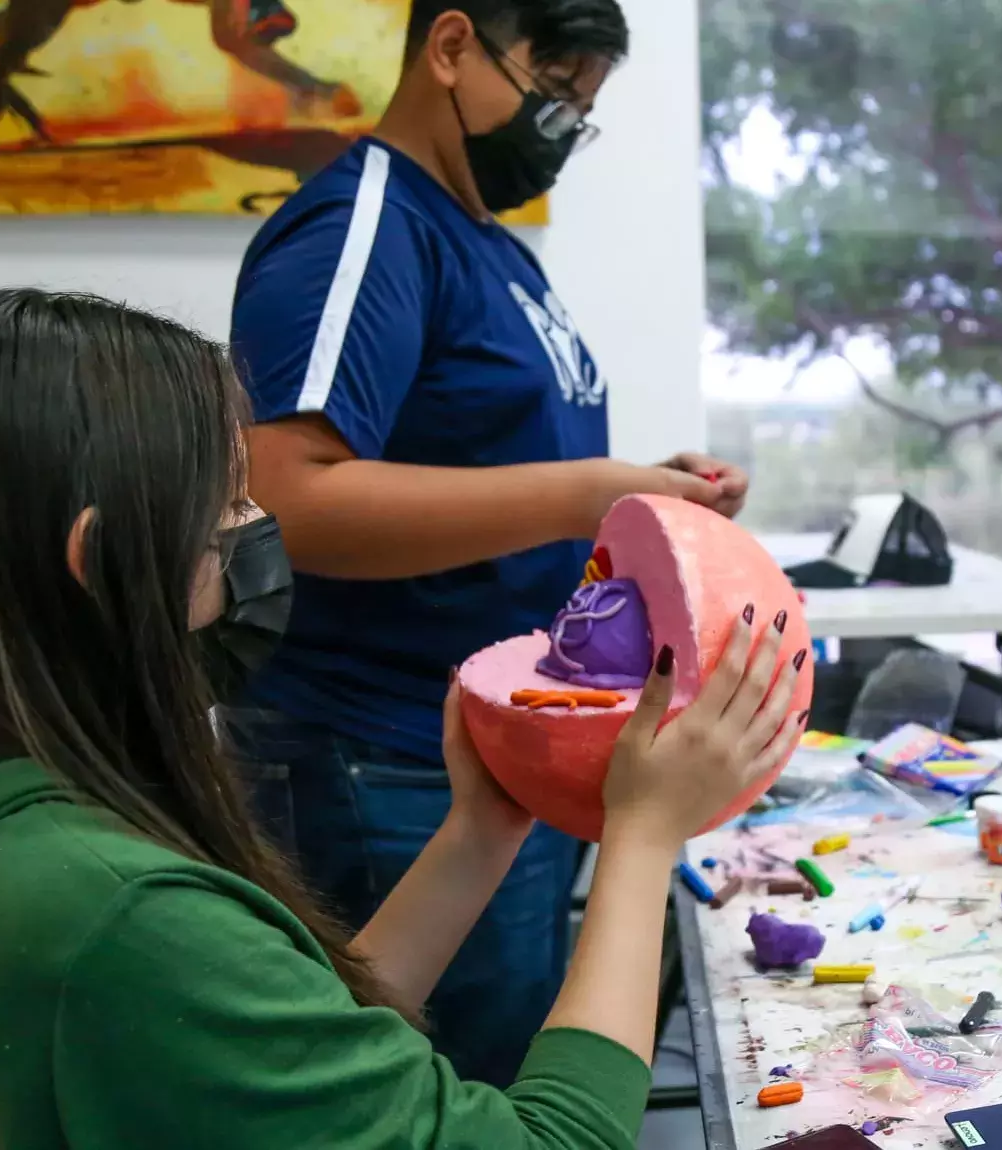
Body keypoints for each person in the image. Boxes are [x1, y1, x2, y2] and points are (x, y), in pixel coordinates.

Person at [0, 290, 802, 1148]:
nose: (257, 537)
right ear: (100, 560)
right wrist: (642, 836)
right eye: (230, 506)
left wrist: (479, 828)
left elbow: (291, 1023)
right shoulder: (114, 915)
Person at [223, 0, 747, 1084]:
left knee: (509, 1075)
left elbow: (487, 464)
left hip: (495, 753)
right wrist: (584, 493)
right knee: (439, 1094)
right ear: (452, 47)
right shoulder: (363, 228)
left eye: (582, 112)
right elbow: (291, 499)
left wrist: (644, 491)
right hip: (385, 763)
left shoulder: (490, 248)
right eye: (553, 92)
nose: (559, 128)